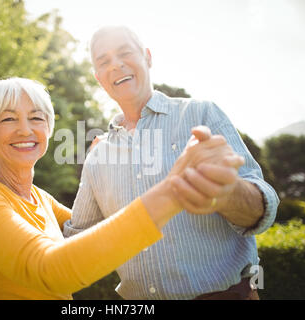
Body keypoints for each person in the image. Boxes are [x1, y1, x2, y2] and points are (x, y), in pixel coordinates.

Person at [0, 77, 243, 300]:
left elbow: (106, 234)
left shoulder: (43, 200)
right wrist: (173, 191)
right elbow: (49, 270)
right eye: (8, 119)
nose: (25, 130)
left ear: (49, 130)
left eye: (36, 117)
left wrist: (103, 167)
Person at [62, 26, 280, 300]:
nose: (115, 64)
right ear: (98, 78)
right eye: (103, 61)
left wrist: (227, 193)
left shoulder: (201, 114)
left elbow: (264, 210)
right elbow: (75, 244)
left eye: (124, 53)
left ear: (148, 57)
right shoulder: (97, 156)